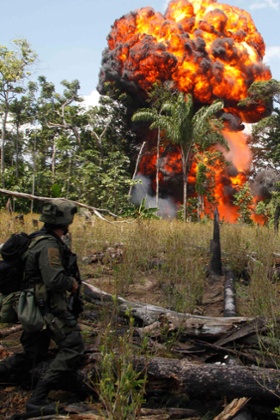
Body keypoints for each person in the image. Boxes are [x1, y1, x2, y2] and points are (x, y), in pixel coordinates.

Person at [0, 199, 85, 414]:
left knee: (33, 354)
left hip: (33, 304)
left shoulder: (36, 238)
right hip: (46, 306)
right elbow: (54, 280)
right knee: (73, 346)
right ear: (65, 220)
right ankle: (38, 399)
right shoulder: (48, 245)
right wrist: (71, 283)